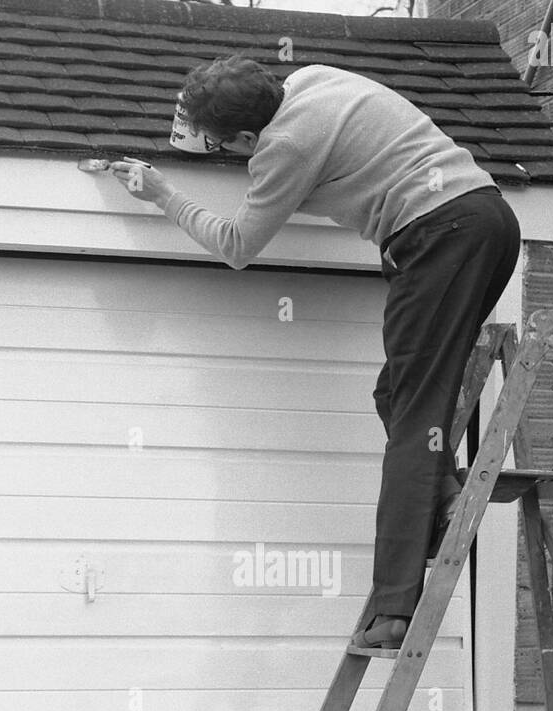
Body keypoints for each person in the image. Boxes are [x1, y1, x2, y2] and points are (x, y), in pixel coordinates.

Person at [110, 55, 520, 649]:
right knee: (397, 395)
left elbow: (237, 245)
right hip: (487, 220)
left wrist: (164, 195)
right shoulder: (313, 78)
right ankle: (448, 494)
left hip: (437, 236)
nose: (232, 156)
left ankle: (392, 610)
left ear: (251, 136)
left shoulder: (283, 148)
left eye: (230, 148)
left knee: (415, 416)